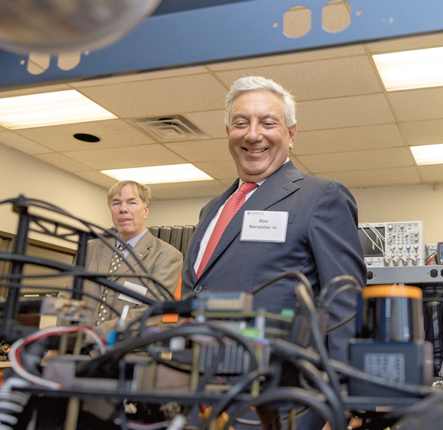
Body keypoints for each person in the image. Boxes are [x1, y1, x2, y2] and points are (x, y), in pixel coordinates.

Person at [180, 76, 366, 427]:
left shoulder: (321, 197)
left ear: (291, 134)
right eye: (241, 123)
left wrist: (343, 404)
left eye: (268, 122)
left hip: (284, 408)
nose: (253, 134)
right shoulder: (211, 211)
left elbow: (344, 302)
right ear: (228, 132)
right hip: (204, 403)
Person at [75, 180, 183, 333]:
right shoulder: (90, 248)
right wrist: (68, 338)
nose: (123, 209)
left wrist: (94, 336)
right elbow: (67, 297)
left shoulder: (167, 256)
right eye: (116, 203)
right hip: (76, 349)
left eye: (131, 203)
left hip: (127, 352)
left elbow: (151, 312)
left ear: (146, 210)